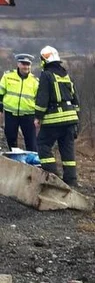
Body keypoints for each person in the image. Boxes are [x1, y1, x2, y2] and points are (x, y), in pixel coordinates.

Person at [34, 46, 81, 187]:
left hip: (54, 119)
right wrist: (77, 119)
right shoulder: (66, 75)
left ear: (44, 60)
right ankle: (71, 180)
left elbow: (42, 99)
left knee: (43, 144)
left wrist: (38, 117)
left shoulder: (46, 75)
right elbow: (76, 100)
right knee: (67, 150)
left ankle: (52, 176)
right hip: (71, 119)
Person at [0, 53, 40, 152]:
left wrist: (38, 117)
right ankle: (14, 160)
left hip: (28, 115)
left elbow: (39, 100)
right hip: (10, 114)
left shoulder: (35, 81)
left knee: (31, 142)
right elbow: (0, 93)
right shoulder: (8, 76)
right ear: (18, 64)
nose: (26, 67)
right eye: (23, 64)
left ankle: (32, 163)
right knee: (10, 138)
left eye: (28, 64)